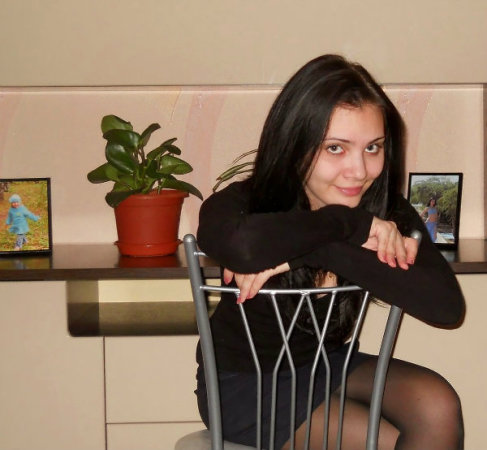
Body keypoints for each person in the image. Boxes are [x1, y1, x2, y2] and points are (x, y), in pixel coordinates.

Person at [196, 55, 465, 450]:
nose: (359, 170)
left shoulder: (383, 211)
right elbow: (240, 245)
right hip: (246, 385)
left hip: (326, 363)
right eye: (335, 148)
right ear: (294, 145)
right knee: (388, 442)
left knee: (437, 405)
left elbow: (446, 307)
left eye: (372, 147)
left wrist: (317, 252)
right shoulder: (249, 203)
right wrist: (349, 225)